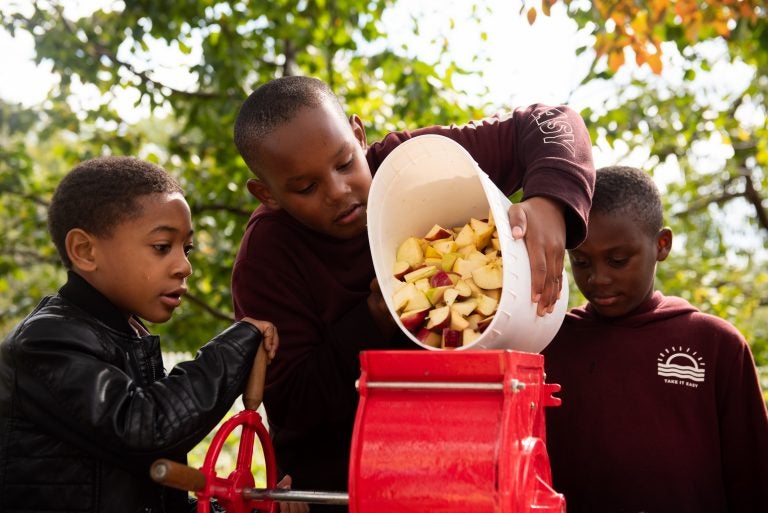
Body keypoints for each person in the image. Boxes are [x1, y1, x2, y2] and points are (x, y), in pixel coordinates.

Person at [231, 75, 596, 509]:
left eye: (346, 162)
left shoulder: (403, 162)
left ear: (358, 135)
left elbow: (552, 121)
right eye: (306, 188)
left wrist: (550, 205)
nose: (338, 191)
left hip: (474, 461)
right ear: (266, 194)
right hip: (345, 487)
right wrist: (375, 321)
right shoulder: (266, 260)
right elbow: (295, 407)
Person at [0, 156, 288, 513]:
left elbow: (150, 489)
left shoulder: (129, 336)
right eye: (162, 247)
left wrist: (228, 507)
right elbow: (147, 431)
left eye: (187, 249)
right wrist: (235, 346)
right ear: (85, 251)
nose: (184, 266)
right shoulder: (46, 342)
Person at [542, 165, 768, 512]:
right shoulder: (549, 345)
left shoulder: (715, 344)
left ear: (661, 245)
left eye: (618, 260)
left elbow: (753, 481)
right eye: (582, 262)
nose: (598, 278)